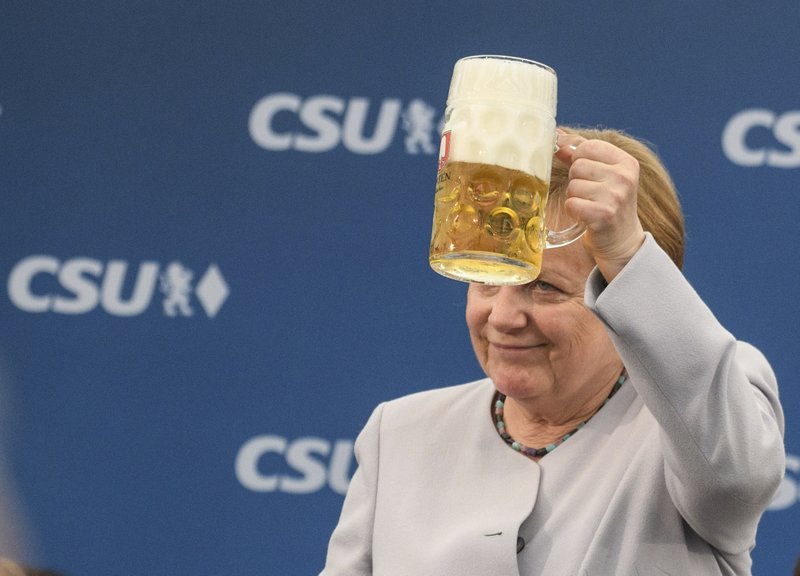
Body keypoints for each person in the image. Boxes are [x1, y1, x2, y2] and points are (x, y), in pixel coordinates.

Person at [320, 127, 785, 575]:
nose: (502, 316)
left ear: (624, 292)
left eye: (544, 286)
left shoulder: (704, 419)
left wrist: (624, 251)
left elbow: (734, 480)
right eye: (488, 276)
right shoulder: (400, 434)